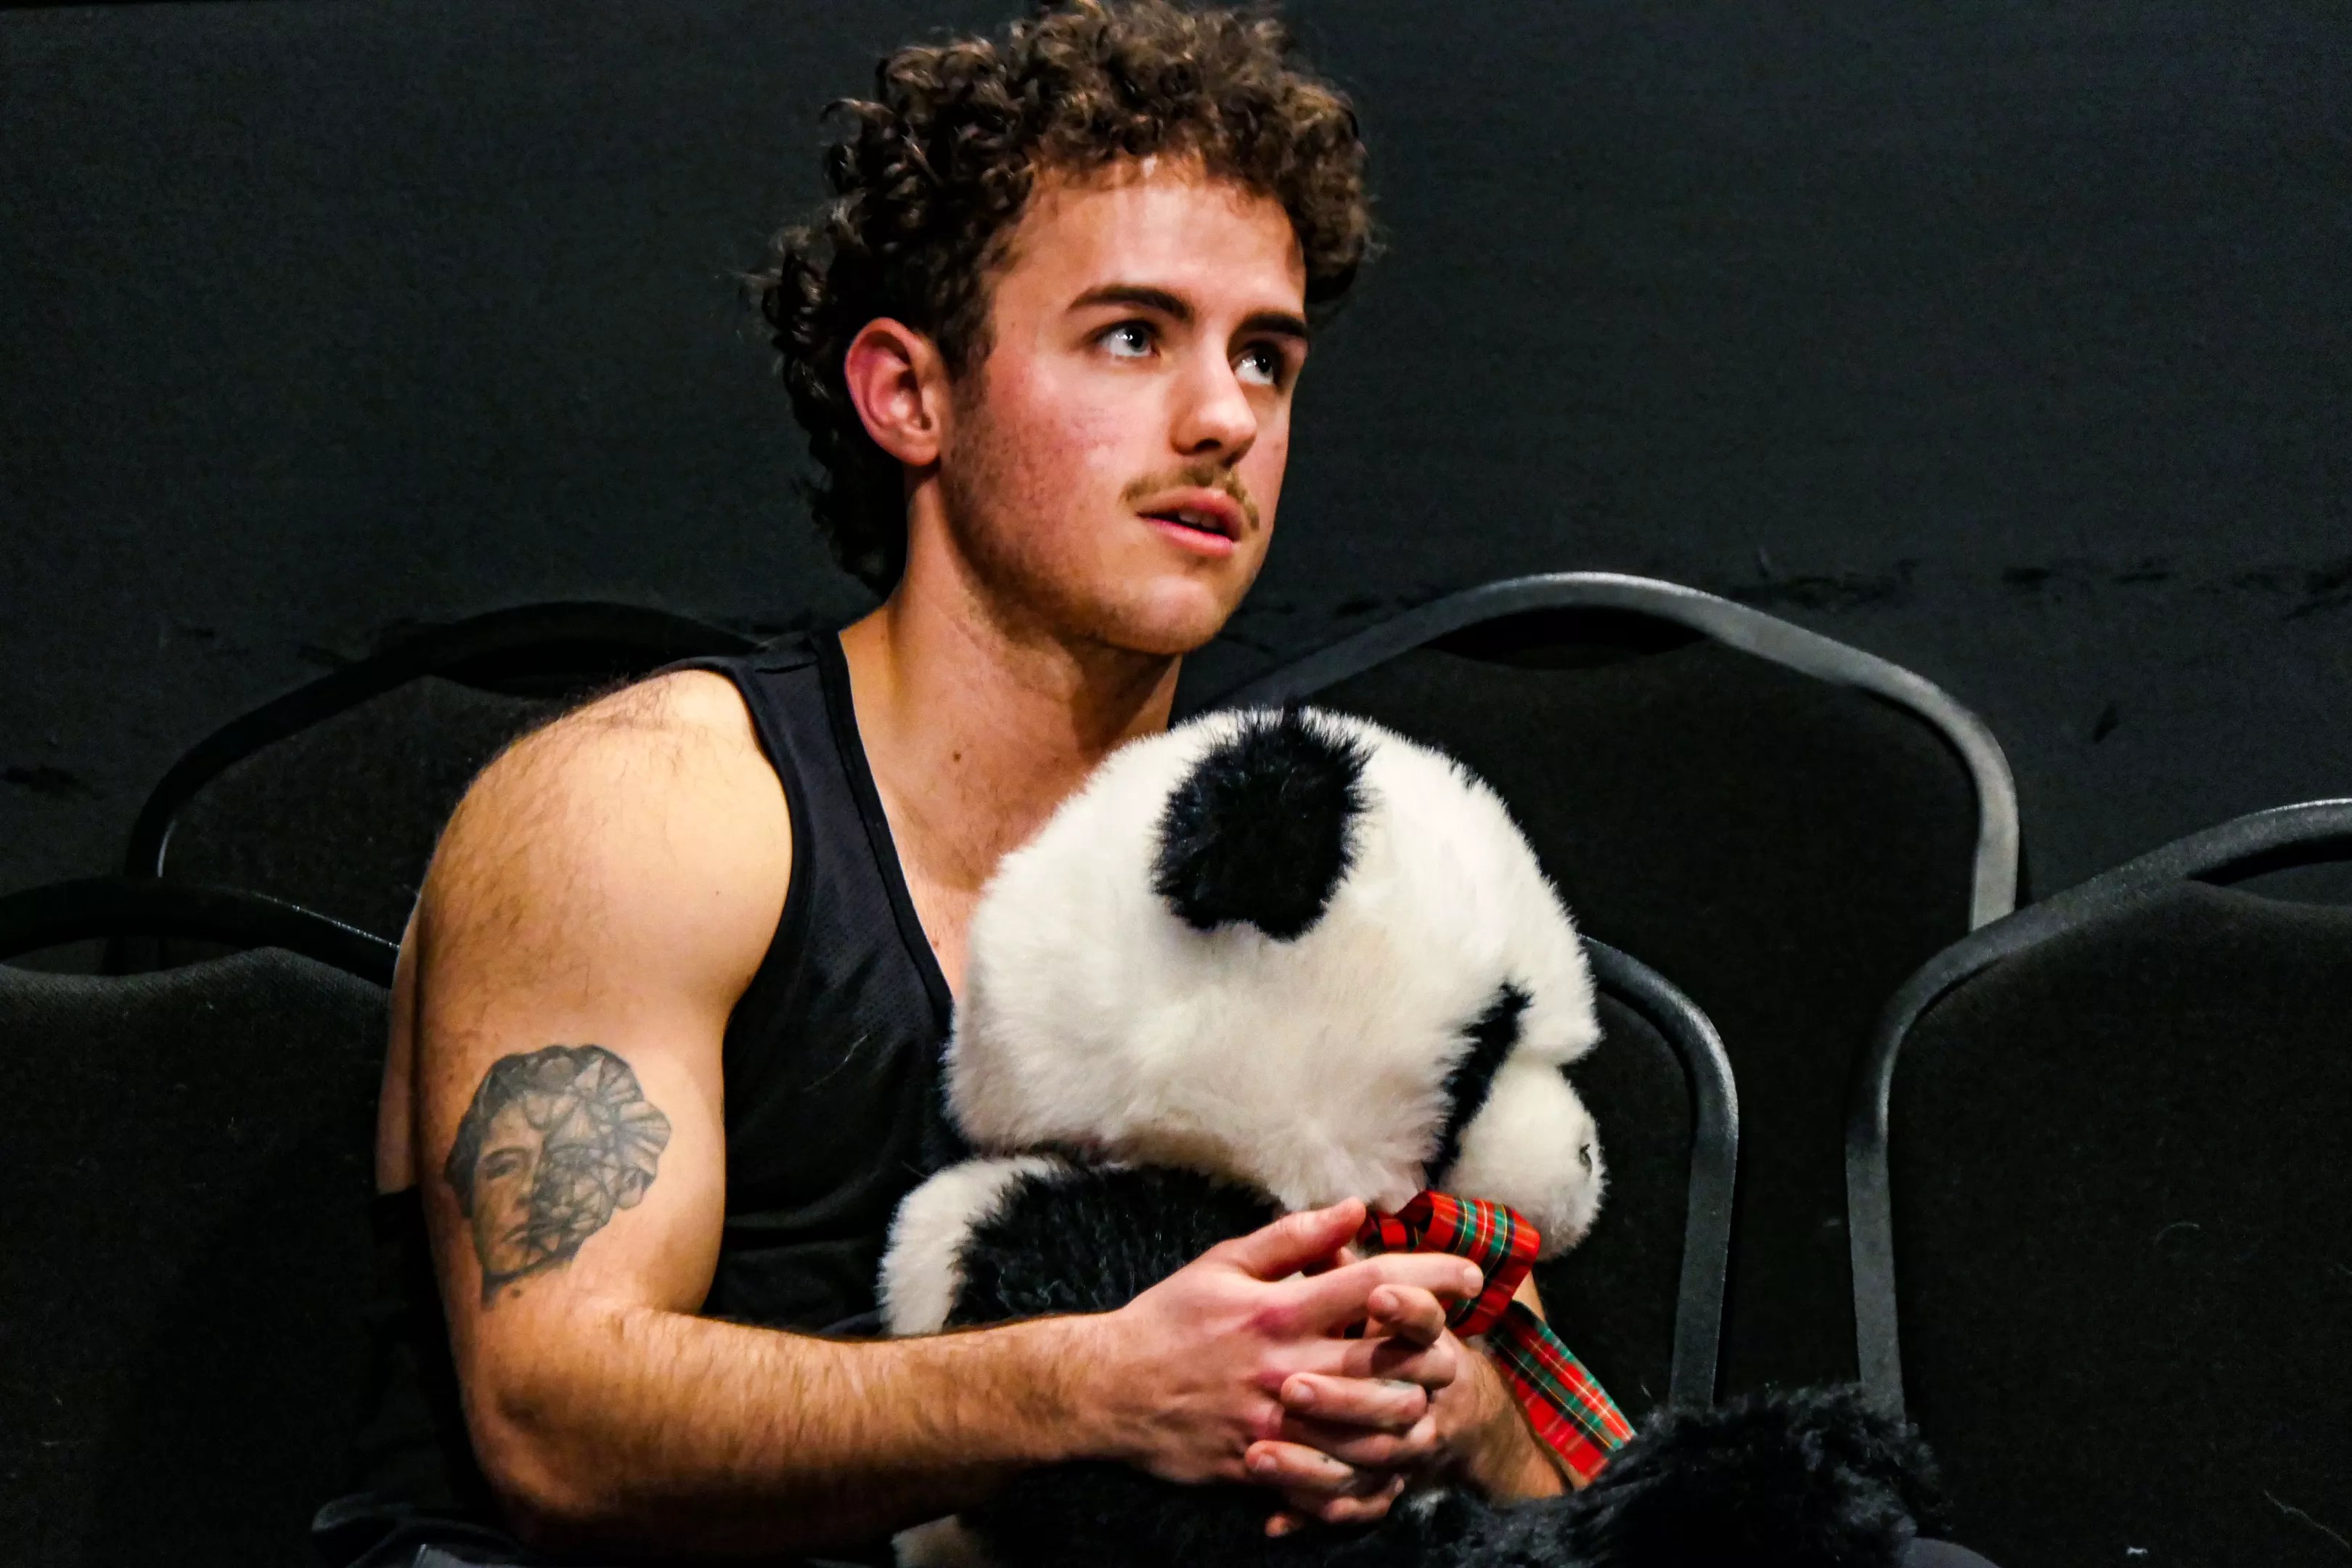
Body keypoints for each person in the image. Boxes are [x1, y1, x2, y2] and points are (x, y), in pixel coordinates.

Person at [324, 4, 2002, 1564]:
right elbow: (556, 1423)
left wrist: (1451, 1407)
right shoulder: (645, 808)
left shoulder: (1316, 860)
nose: (1222, 420)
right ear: (909, 392)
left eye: (1265, 359)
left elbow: (1568, 1469)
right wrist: (1098, 1390)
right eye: (1132, 338)